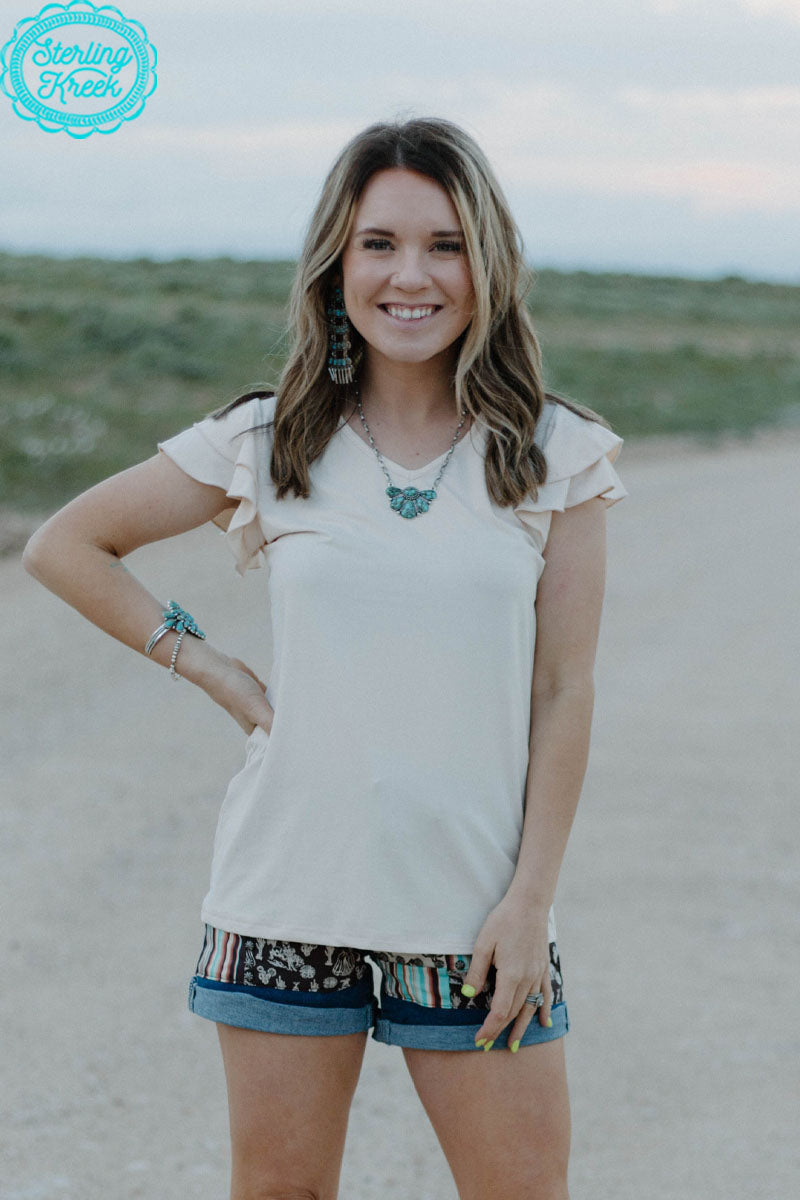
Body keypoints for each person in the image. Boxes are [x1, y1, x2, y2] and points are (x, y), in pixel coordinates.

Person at [22, 115, 628, 1200]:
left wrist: (531, 902)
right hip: (284, 899)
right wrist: (212, 669)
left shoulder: (554, 454)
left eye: (445, 245)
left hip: (473, 913)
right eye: (378, 244)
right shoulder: (267, 441)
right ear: (336, 265)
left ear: (486, 264)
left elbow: (561, 688)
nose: (411, 276)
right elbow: (66, 545)